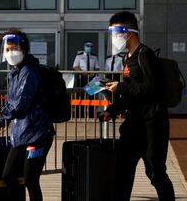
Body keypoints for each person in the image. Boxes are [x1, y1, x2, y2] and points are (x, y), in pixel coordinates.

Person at [100, 11, 175, 201]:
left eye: (116, 33)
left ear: (129, 32)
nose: (114, 38)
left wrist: (122, 86)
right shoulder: (127, 58)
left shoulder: (144, 55)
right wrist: (112, 110)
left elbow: (151, 88)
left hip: (152, 124)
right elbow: (131, 94)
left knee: (155, 172)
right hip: (134, 123)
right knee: (123, 169)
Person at [0, 29, 55, 201]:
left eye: (14, 48)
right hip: (21, 133)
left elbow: (21, 104)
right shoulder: (14, 72)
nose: (11, 52)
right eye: (7, 49)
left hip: (37, 134)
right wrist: (1, 124)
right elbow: (12, 101)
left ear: (24, 49)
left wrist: (1, 113)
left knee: (30, 180)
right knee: (8, 175)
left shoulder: (29, 71)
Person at [72, 41, 99, 118]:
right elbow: (75, 66)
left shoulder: (94, 57)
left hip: (91, 78)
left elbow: (97, 67)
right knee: (80, 96)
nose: (89, 47)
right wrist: (81, 72)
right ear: (84, 47)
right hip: (81, 78)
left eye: (90, 46)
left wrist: (93, 73)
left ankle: (91, 116)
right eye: (87, 46)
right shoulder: (79, 56)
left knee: (91, 97)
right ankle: (79, 116)